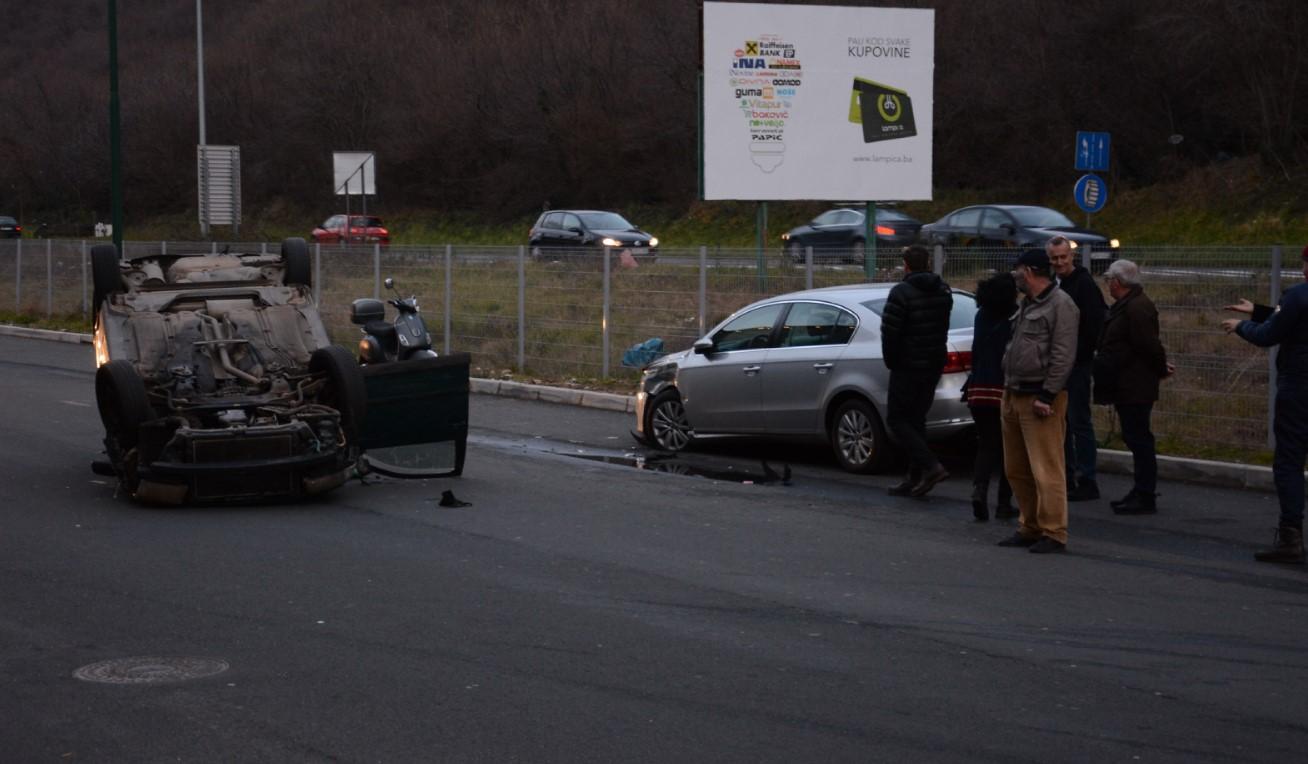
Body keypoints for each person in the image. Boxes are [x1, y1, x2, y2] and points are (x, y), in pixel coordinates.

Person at [1221, 245, 1308, 564]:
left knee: (1289, 462)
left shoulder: (1298, 295)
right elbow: (1292, 322)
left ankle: (1290, 537)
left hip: (1299, 389)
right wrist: (1257, 310)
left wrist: (1241, 325)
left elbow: (1271, 335)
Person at [996, 249, 1079, 553]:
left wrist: (1048, 394)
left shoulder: (1062, 305)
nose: (1014, 275)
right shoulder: (1027, 304)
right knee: (1016, 469)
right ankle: (1029, 525)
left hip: (1040, 400)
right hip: (1014, 393)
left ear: (1029, 271)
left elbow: (1063, 354)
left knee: (1046, 469)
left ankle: (1054, 531)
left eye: (1016, 270)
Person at [1094, 260, 1172, 514]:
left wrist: (1160, 369)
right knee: (1135, 437)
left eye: (1108, 280)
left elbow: (1148, 345)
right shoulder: (1129, 305)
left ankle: (1145, 493)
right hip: (1127, 383)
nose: (1107, 285)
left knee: (1139, 439)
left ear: (1117, 283)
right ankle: (1140, 490)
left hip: (1135, 385)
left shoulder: (1136, 308)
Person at [881, 245, 953, 497]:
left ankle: (930, 466)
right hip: (933, 364)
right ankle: (913, 477)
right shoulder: (944, 290)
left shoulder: (901, 292)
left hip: (907, 365)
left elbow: (890, 332)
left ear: (906, 265)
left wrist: (891, 361)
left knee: (898, 419)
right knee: (917, 419)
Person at [1049, 235, 1108, 501]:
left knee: (1079, 421)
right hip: (1059, 365)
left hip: (1077, 364)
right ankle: (1069, 475)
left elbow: (1094, 325)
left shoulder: (1083, 285)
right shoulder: (1055, 283)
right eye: (1054, 258)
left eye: (1063, 257)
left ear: (1071, 256)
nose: (1060, 262)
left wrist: (1078, 356)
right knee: (1063, 422)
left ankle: (1087, 478)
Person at [962, 272, 1017, 521]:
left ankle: (979, 490)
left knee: (986, 444)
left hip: (977, 387)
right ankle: (1004, 503)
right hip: (1003, 388)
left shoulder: (981, 315)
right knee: (1009, 449)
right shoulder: (1015, 317)